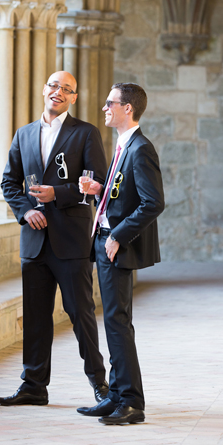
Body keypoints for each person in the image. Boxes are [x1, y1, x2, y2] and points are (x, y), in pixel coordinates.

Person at [0, 71, 109, 407]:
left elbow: (96, 182)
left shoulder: (86, 133)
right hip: (34, 241)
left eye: (67, 89)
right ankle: (33, 386)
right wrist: (25, 211)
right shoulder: (24, 134)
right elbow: (9, 183)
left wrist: (55, 194)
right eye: (53, 85)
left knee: (81, 314)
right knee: (35, 317)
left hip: (70, 241)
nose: (58, 92)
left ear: (73, 98)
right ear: (44, 89)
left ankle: (101, 387)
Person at [77, 82, 164, 425]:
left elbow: (153, 202)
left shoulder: (141, 148)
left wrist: (119, 235)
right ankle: (115, 395)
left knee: (118, 322)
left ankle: (131, 402)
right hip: (103, 239)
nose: (104, 108)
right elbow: (124, 195)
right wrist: (100, 190)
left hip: (115, 243)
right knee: (113, 321)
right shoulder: (123, 145)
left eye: (110, 103)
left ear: (128, 108)